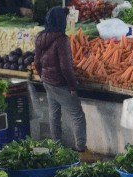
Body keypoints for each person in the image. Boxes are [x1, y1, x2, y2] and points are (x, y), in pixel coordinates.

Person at [34, 7, 87, 153]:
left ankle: (57, 147)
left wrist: (43, 76)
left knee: (54, 114)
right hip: (60, 83)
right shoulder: (62, 40)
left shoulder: (39, 37)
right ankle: (81, 149)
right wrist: (72, 86)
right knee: (77, 115)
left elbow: (37, 62)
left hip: (47, 81)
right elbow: (66, 67)